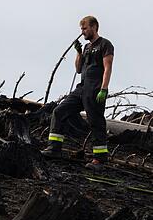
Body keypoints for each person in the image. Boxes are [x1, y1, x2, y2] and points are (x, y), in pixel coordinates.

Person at [41, 16, 114, 169]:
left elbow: (108, 68)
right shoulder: (87, 47)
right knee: (59, 111)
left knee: (96, 121)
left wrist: (104, 89)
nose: (82, 32)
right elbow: (78, 69)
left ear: (94, 27)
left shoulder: (105, 44)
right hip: (81, 88)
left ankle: (100, 160)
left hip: (95, 89)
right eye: (81, 29)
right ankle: (54, 149)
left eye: (85, 28)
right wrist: (79, 52)